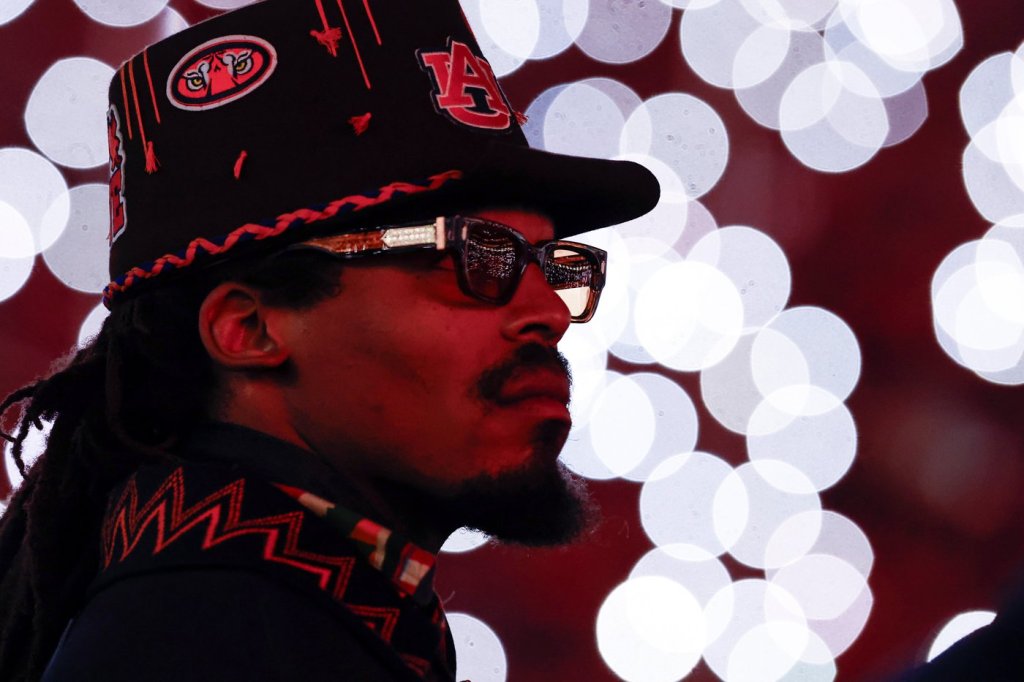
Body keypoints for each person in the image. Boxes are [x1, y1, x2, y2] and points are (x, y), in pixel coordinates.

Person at [0, 0, 659, 680]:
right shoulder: (218, 643)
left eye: (553, 266)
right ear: (248, 328)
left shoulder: (254, 610)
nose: (549, 312)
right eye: (474, 256)